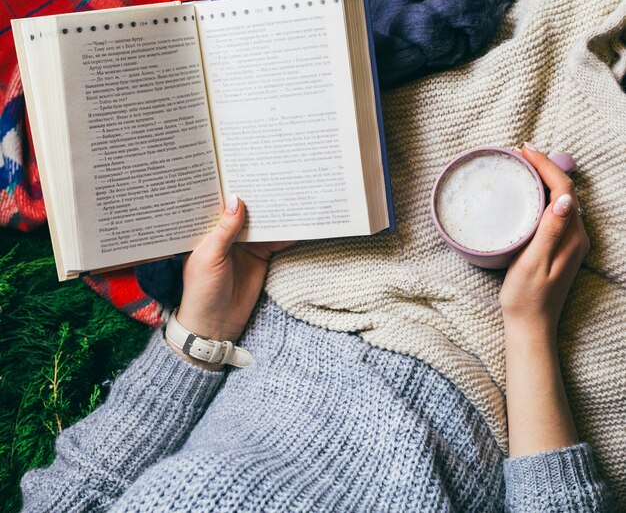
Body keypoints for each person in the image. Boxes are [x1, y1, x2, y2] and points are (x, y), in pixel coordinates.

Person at [20, 145, 614, 512]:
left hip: (292, 303)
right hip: (512, 386)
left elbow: (85, 479)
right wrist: (531, 327)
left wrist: (203, 326)